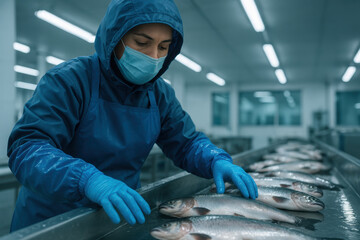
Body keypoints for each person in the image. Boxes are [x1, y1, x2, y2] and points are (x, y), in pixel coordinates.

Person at [7, 0, 258, 232]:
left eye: (163, 47)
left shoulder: (160, 94)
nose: (154, 56)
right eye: (141, 43)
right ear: (115, 37)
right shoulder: (69, 81)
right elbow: (28, 148)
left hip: (121, 215)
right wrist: (86, 179)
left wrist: (215, 160)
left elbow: (187, 142)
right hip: (54, 221)